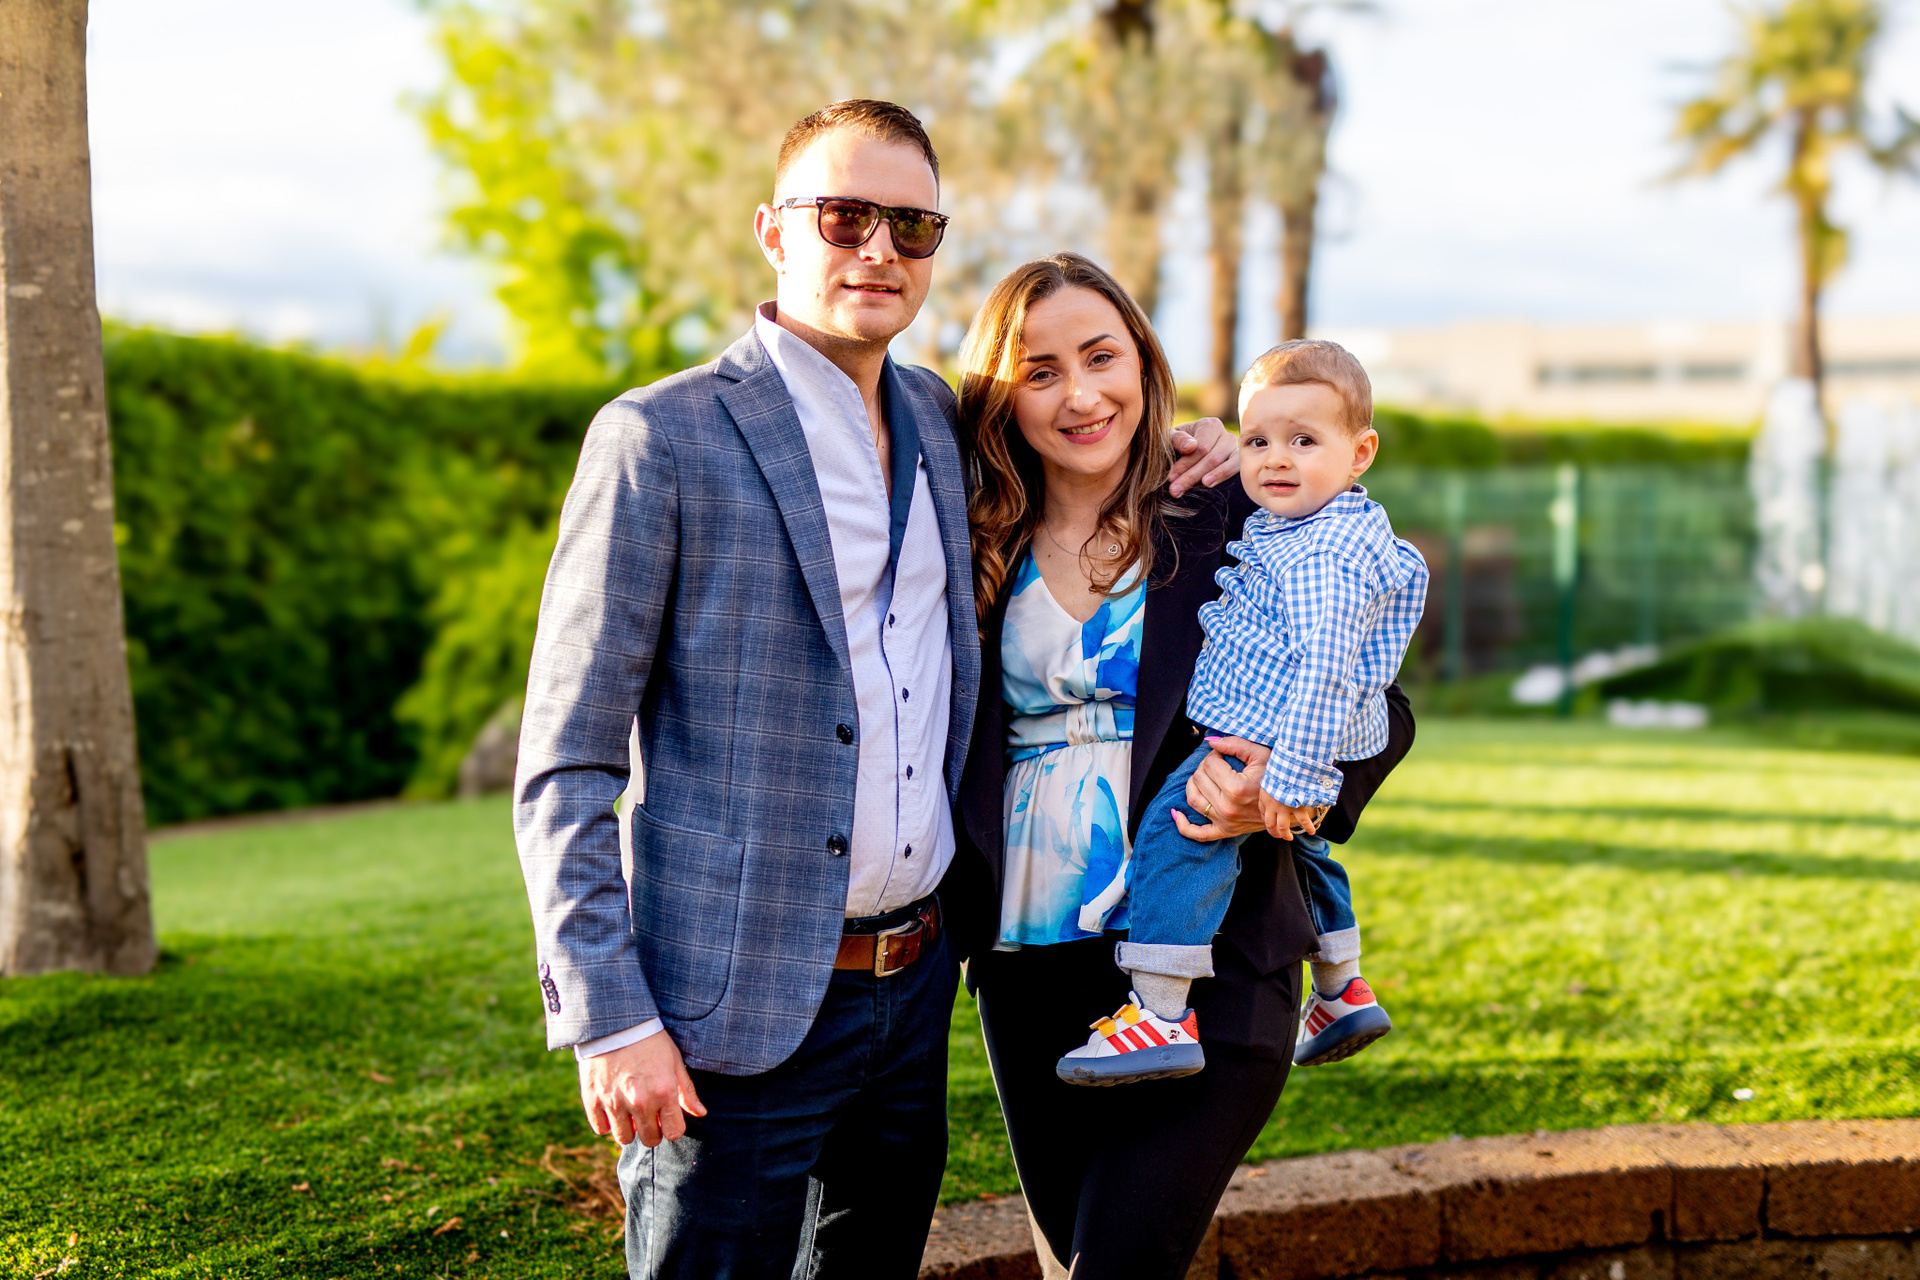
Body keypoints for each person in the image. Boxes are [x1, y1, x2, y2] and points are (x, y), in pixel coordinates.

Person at [513, 102, 1234, 1280]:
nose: (880, 248)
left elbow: (1089, 452)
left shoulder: (942, 421)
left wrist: (1203, 442)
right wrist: (609, 1016)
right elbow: (564, 760)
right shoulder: (659, 439)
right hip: (728, 1016)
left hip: (913, 1002)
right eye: (845, 216)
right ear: (772, 231)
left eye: (913, 224)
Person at [949, 253, 1415, 1280]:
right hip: (1027, 966)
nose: (1081, 394)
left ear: (1143, 363)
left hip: (1219, 957)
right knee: (1073, 1262)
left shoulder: (1233, 509)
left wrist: (1281, 787)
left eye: (1101, 357)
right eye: (1039, 371)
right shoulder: (973, 533)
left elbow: (1385, 708)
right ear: (1001, 394)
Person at [1057, 339, 1429, 1085]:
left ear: (1360, 453)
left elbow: (1327, 668)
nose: (1275, 460)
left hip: (1261, 736)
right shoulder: (1308, 525)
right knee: (1306, 851)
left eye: (1303, 441)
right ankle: (1342, 987)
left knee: (1179, 835)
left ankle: (1160, 1012)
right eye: (1257, 441)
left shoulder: (1323, 555)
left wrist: (1291, 777)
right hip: (1283, 732)